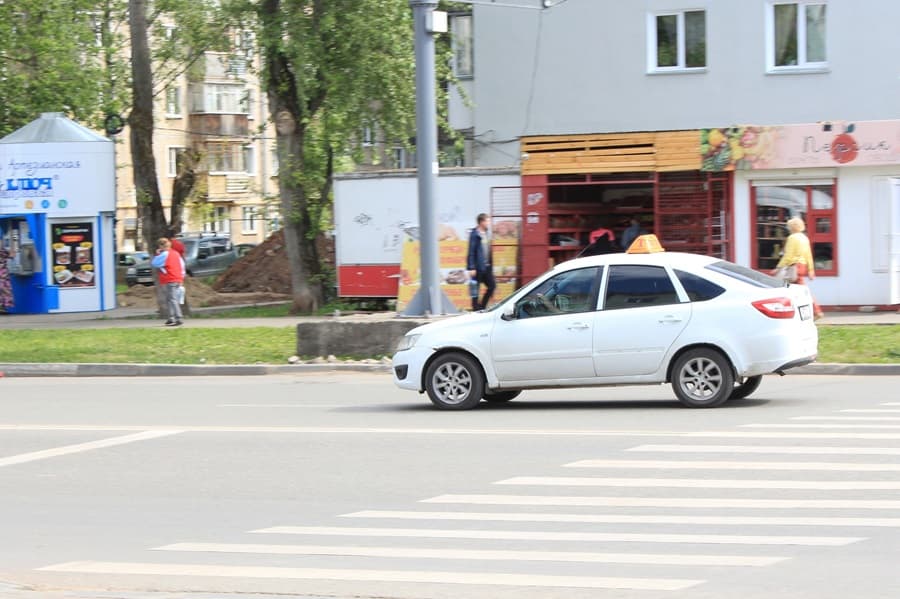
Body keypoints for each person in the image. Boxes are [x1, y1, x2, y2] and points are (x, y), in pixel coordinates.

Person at [775, 217, 824, 320]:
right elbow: (809, 255)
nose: (788, 228)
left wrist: (779, 267)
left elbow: (788, 256)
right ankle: (813, 311)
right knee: (798, 291)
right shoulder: (804, 238)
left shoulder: (792, 238)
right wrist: (811, 270)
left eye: (789, 226)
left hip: (794, 267)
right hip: (802, 266)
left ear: (792, 227)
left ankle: (816, 311)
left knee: (790, 290)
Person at [151, 237, 186, 326]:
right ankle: (171, 318)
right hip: (177, 278)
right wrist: (181, 278)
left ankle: (178, 318)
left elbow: (155, 263)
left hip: (170, 278)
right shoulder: (176, 253)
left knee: (172, 299)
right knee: (170, 299)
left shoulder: (165, 254)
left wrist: (158, 254)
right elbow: (182, 266)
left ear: (161, 246)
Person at [467, 213, 495, 311]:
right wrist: (471, 267)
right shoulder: (475, 234)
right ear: (481, 222)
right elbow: (471, 251)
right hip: (477, 267)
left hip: (487, 266)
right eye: (487, 221)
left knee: (492, 286)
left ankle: (482, 306)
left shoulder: (487, 233)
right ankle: (475, 309)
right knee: (475, 289)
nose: (488, 223)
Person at [0, 244, 15, 313]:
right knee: (5, 289)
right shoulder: (3, 250)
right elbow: (12, 256)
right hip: (3, 273)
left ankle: (2, 307)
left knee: (3, 289)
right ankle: (3, 307)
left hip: (3, 274)